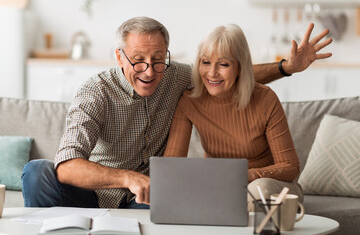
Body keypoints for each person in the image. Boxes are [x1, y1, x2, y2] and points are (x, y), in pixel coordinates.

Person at [21, 16, 332, 209]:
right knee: (37, 172)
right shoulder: (96, 92)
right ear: (119, 56)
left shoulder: (176, 77)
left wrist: (286, 67)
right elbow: (66, 165)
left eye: (158, 59)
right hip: (97, 190)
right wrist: (126, 178)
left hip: (146, 198)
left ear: (167, 55)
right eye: (138, 60)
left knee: (169, 212)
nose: (149, 71)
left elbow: (224, 75)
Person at [163, 23, 313, 210]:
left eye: (224, 64)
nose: (211, 73)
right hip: (222, 189)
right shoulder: (189, 101)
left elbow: (290, 166)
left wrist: (247, 175)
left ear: (240, 67)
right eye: (205, 62)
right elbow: (171, 165)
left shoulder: (265, 98)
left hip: (274, 188)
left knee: (259, 189)